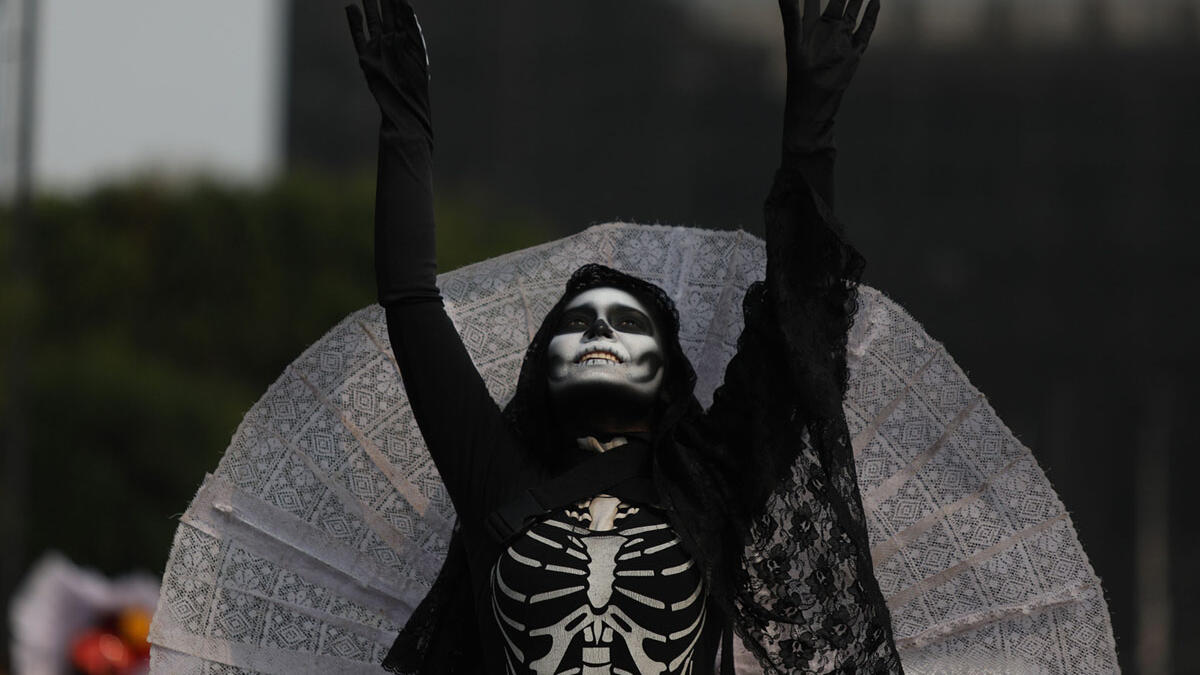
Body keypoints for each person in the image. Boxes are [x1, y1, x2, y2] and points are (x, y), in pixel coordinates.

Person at [344, 0, 901, 671]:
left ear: (666, 372)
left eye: (625, 321)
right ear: (542, 366)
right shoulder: (494, 478)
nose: (599, 328)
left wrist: (811, 135)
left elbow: (799, 321)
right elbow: (410, 300)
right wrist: (404, 124)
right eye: (576, 322)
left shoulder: (715, 482)